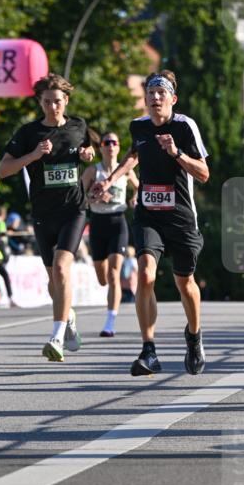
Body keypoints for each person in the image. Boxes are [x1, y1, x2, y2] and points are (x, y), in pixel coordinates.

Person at [92, 70, 209, 376]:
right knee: (145, 275)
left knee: (185, 283)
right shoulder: (138, 126)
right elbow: (134, 156)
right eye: (150, 94)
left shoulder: (184, 127)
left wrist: (176, 152)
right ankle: (149, 350)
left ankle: (194, 337)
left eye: (161, 93)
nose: (155, 98)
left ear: (173, 99)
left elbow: (204, 173)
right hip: (149, 214)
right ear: (145, 99)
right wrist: (109, 181)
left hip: (181, 217)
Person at [0, 73, 94, 361]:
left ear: (66, 101)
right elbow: (3, 170)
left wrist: (88, 154)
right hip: (43, 213)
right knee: (54, 279)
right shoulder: (29, 133)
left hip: (73, 210)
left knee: (62, 268)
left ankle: (56, 336)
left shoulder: (79, 126)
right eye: (47, 102)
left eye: (58, 101)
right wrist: (33, 155)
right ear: (40, 103)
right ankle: (69, 317)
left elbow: (88, 151)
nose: (53, 107)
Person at [82, 132, 138, 336]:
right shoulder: (92, 171)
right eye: (107, 142)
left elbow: (140, 187)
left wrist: (135, 198)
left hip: (118, 222)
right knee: (103, 279)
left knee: (114, 273)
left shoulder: (126, 170)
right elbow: (78, 197)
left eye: (114, 142)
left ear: (119, 146)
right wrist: (93, 197)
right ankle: (110, 314)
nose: (111, 146)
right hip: (97, 223)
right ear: (101, 147)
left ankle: (110, 323)